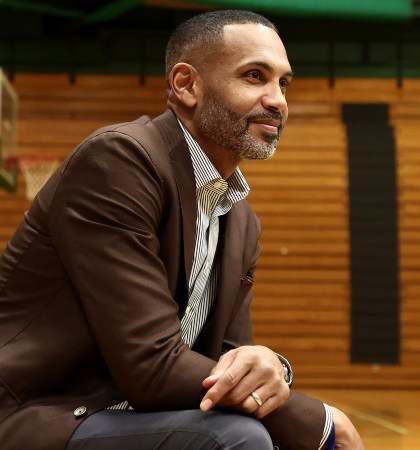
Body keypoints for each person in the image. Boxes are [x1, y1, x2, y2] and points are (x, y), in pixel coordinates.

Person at [0, 9, 364, 450]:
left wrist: (273, 368)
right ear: (186, 85)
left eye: (283, 83)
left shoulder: (240, 220)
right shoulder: (119, 162)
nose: (277, 100)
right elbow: (151, 366)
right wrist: (322, 423)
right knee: (238, 437)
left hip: (132, 416)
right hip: (41, 416)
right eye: (254, 76)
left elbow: (226, 363)